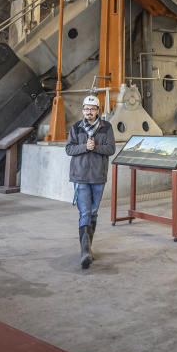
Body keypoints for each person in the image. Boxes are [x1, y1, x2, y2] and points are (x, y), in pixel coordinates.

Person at [64, 94, 115, 269]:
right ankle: (84, 252)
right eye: (86, 109)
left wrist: (96, 147)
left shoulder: (106, 127)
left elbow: (110, 149)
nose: (89, 112)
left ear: (98, 111)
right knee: (85, 212)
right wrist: (85, 147)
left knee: (93, 212)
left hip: (98, 176)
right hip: (80, 176)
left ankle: (88, 248)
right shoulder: (76, 128)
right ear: (83, 110)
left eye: (92, 109)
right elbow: (69, 149)